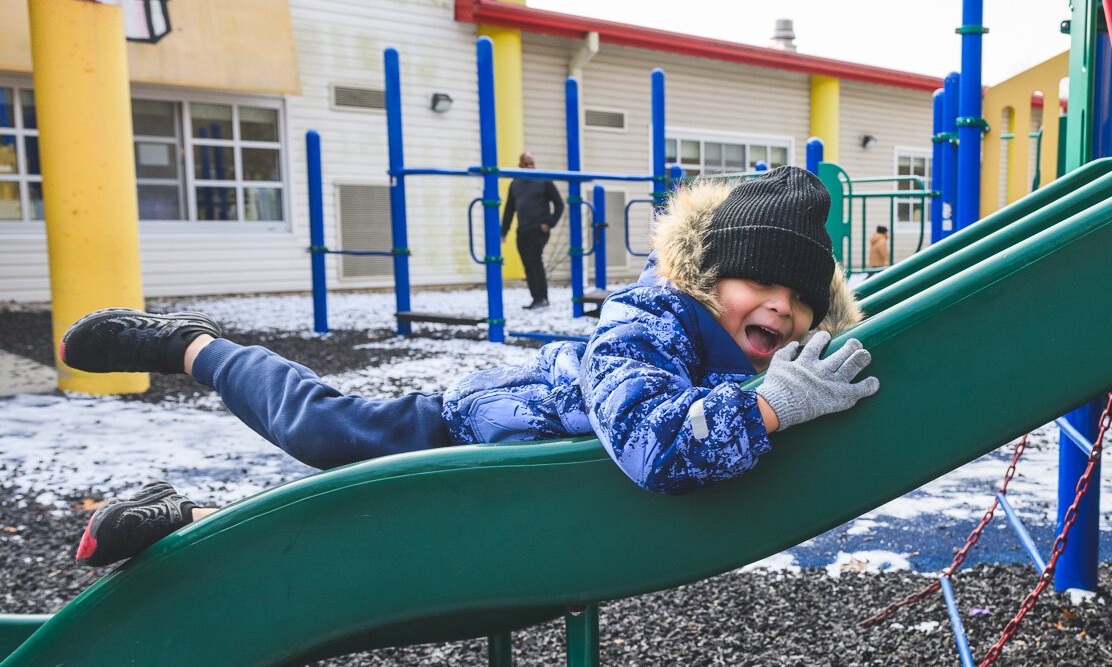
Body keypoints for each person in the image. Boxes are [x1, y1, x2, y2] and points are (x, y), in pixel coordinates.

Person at [61, 166, 878, 567]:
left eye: (798, 299)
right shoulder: (647, 318)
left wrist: (770, 401)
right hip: (468, 425)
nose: (777, 307)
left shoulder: (749, 366)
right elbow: (654, 445)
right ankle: (192, 346)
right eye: (758, 282)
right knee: (319, 431)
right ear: (708, 277)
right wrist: (771, 410)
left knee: (335, 538)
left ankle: (182, 522)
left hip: (506, 486)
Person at [500, 152, 564, 308]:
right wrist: (503, 232)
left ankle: (543, 297)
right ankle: (536, 298)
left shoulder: (543, 180)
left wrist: (549, 222)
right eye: (526, 164)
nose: (529, 167)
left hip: (539, 229)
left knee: (534, 260)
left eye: (532, 164)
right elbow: (509, 210)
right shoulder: (515, 184)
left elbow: (559, 204)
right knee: (527, 264)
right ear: (520, 166)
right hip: (523, 230)